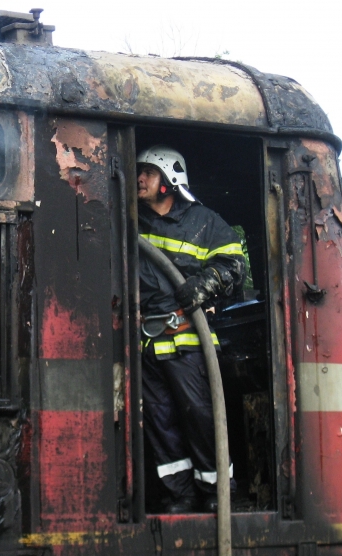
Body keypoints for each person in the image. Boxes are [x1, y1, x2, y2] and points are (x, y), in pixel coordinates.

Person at [136, 145, 245, 514]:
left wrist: (205, 284)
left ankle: (217, 491)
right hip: (148, 346)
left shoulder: (203, 222)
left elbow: (234, 263)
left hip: (189, 340)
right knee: (161, 424)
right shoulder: (129, 221)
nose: (140, 179)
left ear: (169, 181)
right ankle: (178, 495)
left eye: (148, 173)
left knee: (201, 419)